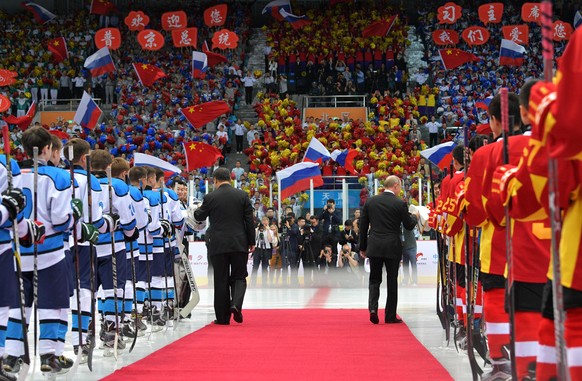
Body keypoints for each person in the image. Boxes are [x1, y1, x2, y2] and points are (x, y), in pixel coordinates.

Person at [194, 167, 255, 325]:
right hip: (239, 242)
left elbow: (200, 215)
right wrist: (251, 241)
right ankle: (236, 304)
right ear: (230, 178)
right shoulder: (242, 196)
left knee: (220, 279)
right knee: (240, 276)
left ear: (215, 180)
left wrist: (195, 210)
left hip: (218, 244)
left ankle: (222, 317)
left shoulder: (210, 197)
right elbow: (249, 221)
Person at [359, 175, 418, 324]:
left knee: (374, 279)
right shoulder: (400, 203)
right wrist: (416, 216)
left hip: (375, 245)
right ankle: (390, 315)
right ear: (396, 185)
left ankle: (373, 309)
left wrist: (363, 247)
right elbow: (409, 225)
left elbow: (363, 226)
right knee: (392, 281)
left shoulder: (370, 201)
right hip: (392, 246)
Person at [251, 216, 274, 287]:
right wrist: (258, 229)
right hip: (258, 249)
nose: (264, 222)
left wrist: (267, 230)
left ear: (268, 222)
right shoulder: (257, 230)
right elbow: (254, 238)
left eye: (265, 221)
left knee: (265, 267)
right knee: (255, 266)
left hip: (266, 249)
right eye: (263, 221)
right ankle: (253, 283)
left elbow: (270, 240)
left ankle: (264, 283)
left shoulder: (270, 231)